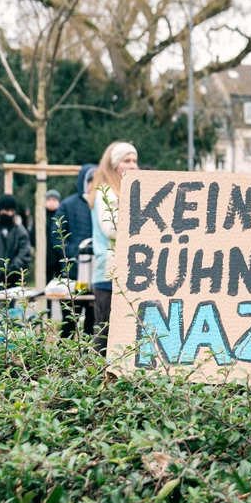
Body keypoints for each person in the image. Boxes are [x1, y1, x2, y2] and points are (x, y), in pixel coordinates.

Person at [89, 142, 140, 355]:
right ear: (114, 165)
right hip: (108, 273)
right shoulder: (106, 192)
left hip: (123, 272)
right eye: (126, 161)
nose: (133, 166)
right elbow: (111, 227)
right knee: (106, 334)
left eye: (135, 161)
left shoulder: (124, 190)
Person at [55, 164, 97, 338]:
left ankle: (89, 360)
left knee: (94, 324)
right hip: (72, 274)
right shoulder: (68, 205)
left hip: (98, 273)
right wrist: (74, 255)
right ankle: (64, 359)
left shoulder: (103, 203)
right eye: (91, 180)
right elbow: (57, 235)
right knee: (70, 321)